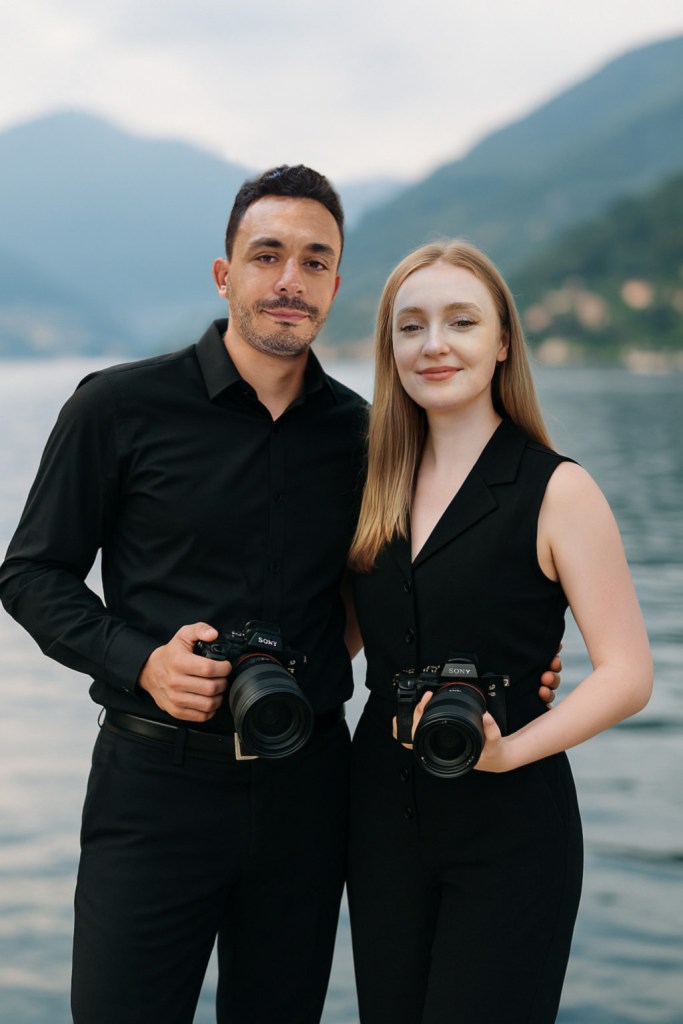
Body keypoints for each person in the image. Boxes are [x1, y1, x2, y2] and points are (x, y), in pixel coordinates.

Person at [0, 170, 560, 1024]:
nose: (289, 280)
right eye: (267, 256)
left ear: (336, 285)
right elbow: (30, 573)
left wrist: (519, 667)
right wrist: (142, 661)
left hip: (310, 791)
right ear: (226, 275)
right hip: (154, 788)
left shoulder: (370, 437)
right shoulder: (116, 407)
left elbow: (416, 582)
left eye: (314, 261)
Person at [345, 240, 653, 1024]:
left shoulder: (559, 488)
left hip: (511, 830)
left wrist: (508, 750)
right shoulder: (369, 486)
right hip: (379, 823)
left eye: (460, 321)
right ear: (389, 347)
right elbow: (350, 637)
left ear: (502, 340)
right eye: (409, 326)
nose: (434, 345)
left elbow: (627, 674)